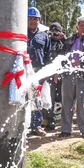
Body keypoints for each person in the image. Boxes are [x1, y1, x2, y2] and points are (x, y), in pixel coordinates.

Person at [59, 17, 84, 139]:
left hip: (83, 75)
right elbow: (62, 56)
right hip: (68, 74)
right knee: (67, 102)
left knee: (83, 103)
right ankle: (65, 129)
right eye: (82, 25)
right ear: (77, 27)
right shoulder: (69, 40)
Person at [27, 7, 52, 136]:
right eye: (30, 19)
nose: (32, 21)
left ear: (39, 20)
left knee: (37, 99)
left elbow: (48, 55)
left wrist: (47, 72)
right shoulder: (22, 33)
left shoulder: (44, 36)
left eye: (35, 19)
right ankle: (24, 126)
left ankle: (36, 125)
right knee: (25, 98)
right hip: (25, 71)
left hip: (39, 71)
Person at [42, 22, 65, 131]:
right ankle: (49, 120)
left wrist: (58, 73)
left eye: (57, 31)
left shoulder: (62, 44)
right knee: (48, 97)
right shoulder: (47, 43)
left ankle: (59, 118)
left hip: (60, 75)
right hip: (48, 75)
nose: (55, 33)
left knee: (60, 98)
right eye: (53, 31)